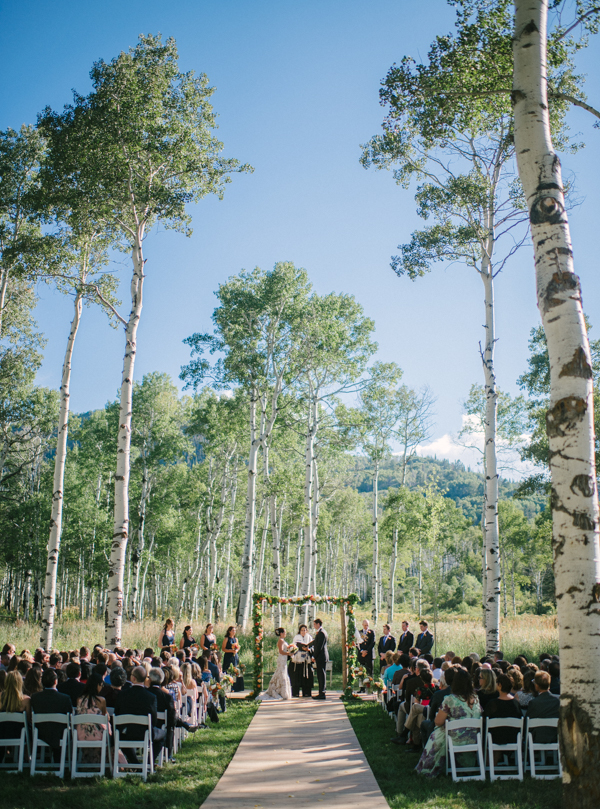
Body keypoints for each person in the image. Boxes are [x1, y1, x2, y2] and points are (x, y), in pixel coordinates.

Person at [416, 668, 482, 777]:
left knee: (438, 731)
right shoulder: (476, 699)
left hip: (454, 739)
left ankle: (430, 765)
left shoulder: (450, 699)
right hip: (472, 738)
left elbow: (437, 722)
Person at [29, 669, 71, 762]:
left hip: (40, 732)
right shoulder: (64, 698)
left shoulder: (35, 697)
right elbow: (69, 716)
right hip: (59, 734)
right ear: (56, 681)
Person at [483, 673, 523, 751]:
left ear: (500, 685)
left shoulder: (493, 704)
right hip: (513, 737)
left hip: (495, 739)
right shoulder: (516, 703)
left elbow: (485, 719)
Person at [526, 671, 560, 743]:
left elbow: (527, 722)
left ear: (537, 685)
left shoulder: (534, 702)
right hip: (555, 736)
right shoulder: (558, 700)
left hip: (538, 737)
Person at [260, 628, 292, 701]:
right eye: (284, 632)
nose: (285, 634)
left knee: (283, 673)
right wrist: (289, 653)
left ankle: (283, 691)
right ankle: (281, 692)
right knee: (281, 673)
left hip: (284, 659)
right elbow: (281, 651)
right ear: (281, 633)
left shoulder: (283, 641)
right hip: (281, 659)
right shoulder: (280, 641)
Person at [289, 624, 313, 698]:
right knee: (297, 676)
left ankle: (306, 692)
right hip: (298, 659)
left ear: (306, 631)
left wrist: (308, 649)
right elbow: (293, 646)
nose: (303, 631)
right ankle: (295, 692)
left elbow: (312, 646)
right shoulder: (296, 637)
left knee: (306, 676)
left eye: (304, 630)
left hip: (306, 658)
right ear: (299, 631)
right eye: (302, 630)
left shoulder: (309, 637)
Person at [310, 618, 329, 700]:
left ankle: (322, 693)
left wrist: (314, 656)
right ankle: (321, 692)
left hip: (321, 657)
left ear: (318, 624)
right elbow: (315, 643)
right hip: (321, 657)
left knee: (321, 675)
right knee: (320, 674)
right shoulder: (321, 632)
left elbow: (319, 647)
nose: (314, 626)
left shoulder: (321, 633)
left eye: (314, 624)